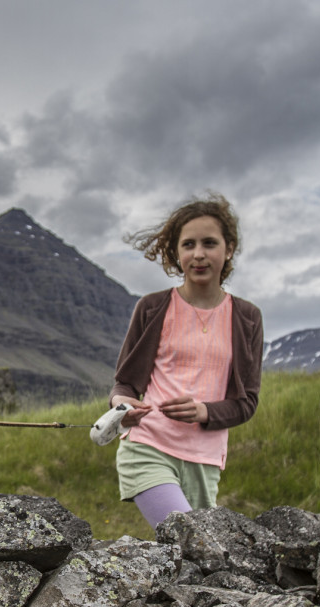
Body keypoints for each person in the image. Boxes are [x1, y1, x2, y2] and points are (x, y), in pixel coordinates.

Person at [109, 193, 263, 529]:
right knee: (186, 538)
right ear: (176, 254)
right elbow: (125, 384)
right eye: (188, 245)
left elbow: (247, 402)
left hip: (204, 459)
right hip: (148, 446)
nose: (198, 254)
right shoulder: (152, 308)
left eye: (209, 243)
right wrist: (123, 406)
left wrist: (205, 411)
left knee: (196, 560)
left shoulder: (247, 317)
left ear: (229, 248)